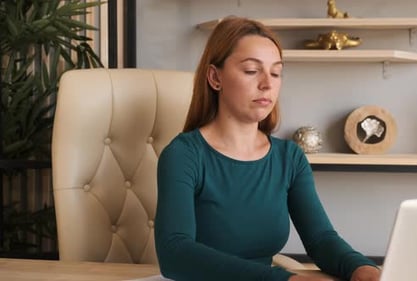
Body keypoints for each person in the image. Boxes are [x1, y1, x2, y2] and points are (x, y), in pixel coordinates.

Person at [155, 16, 381, 281]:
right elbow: (174, 253)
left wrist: (363, 269)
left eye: (276, 72)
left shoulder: (290, 158)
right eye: (252, 71)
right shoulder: (184, 155)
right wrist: (282, 279)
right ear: (215, 78)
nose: (267, 83)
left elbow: (321, 239)